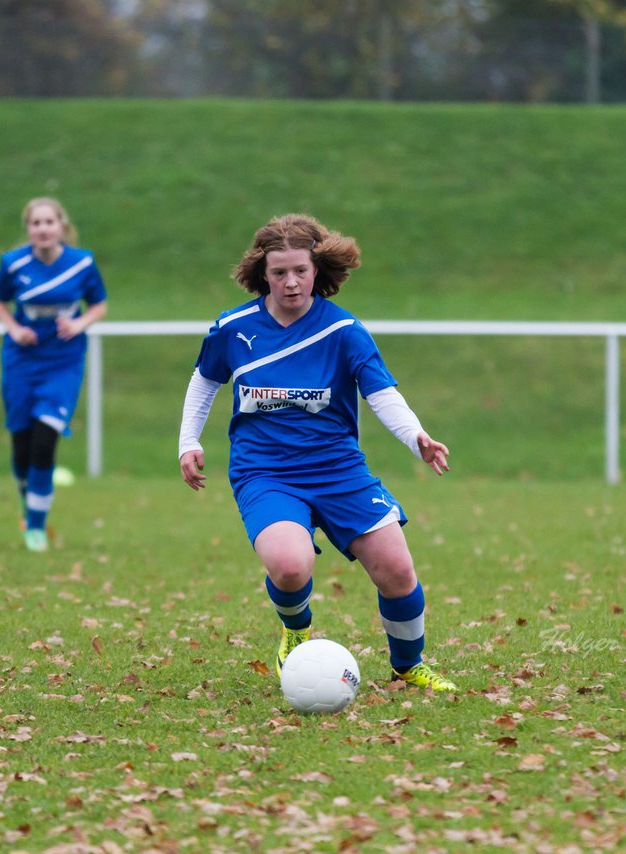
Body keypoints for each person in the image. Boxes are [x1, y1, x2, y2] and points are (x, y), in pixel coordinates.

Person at [178, 213, 459, 693]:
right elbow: (205, 380)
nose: (291, 282)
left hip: (337, 468)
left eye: (300, 271)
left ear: (318, 270)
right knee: (289, 567)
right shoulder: (235, 327)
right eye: (279, 272)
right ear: (261, 274)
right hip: (264, 471)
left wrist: (417, 437)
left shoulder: (343, 330)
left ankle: (408, 666)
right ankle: (296, 629)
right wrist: (189, 441)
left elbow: (381, 392)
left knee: (396, 569)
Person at [0, 197, 107, 553]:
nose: (42, 229)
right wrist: (12, 328)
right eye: (35, 223)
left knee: (44, 438)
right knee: (22, 444)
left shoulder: (82, 262)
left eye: (48, 222)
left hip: (63, 361)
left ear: (61, 226)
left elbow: (99, 304)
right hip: (22, 359)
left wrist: (79, 323)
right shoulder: (13, 263)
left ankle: (36, 527)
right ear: (28, 229)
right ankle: (30, 505)